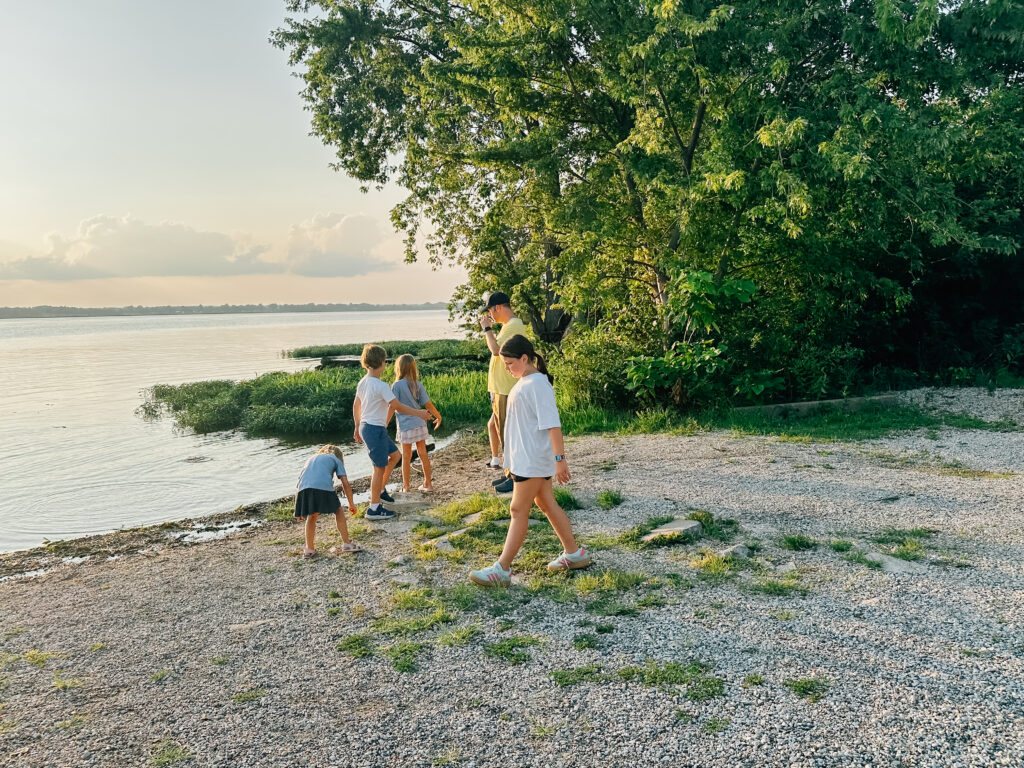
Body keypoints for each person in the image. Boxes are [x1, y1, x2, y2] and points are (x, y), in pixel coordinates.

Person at [469, 334, 592, 587]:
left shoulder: (537, 384)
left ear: (525, 358)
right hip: (526, 459)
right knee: (546, 503)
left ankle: (501, 570)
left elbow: (553, 425)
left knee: (517, 510)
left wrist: (560, 460)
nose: (507, 369)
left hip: (533, 460)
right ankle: (574, 554)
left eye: (510, 363)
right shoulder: (528, 381)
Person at [353, 344, 432, 520]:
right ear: (382, 363)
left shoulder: (363, 382)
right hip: (373, 429)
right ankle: (374, 508)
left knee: (395, 456)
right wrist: (418, 413)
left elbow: (356, 405)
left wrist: (357, 426)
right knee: (378, 468)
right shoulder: (381, 386)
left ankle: (380, 490)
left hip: (370, 427)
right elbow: (396, 406)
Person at [480, 291, 528, 494]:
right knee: (500, 428)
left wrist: (487, 329)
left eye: (490, 310)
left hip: (506, 388)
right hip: (500, 387)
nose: (490, 314)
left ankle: (514, 475)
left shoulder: (515, 325)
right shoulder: (508, 327)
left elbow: (496, 351)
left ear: (497, 307)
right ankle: (509, 471)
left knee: (507, 433)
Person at [294, 445, 360, 558]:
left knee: (312, 515)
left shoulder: (311, 459)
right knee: (338, 511)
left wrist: (298, 509)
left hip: (303, 489)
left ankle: (309, 549)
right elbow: (345, 483)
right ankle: (347, 544)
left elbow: (300, 482)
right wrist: (351, 504)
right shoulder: (335, 459)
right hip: (322, 487)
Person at [390, 354, 442, 492]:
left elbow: (393, 406)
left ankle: (406, 487)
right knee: (423, 453)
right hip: (420, 422)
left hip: (405, 426)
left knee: (406, 456)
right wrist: (438, 416)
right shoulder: (418, 384)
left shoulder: (396, 385)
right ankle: (428, 484)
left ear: (399, 368)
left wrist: (384, 422)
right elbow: (428, 404)